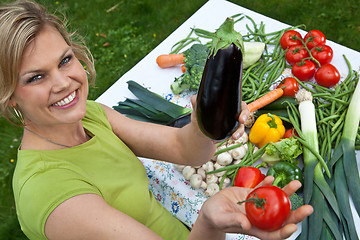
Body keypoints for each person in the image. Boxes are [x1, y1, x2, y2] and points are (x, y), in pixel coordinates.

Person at [0, 0, 313, 240]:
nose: (63, 83)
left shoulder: (92, 116)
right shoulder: (50, 193)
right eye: (36, 77)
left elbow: (185, 149)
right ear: (9, 95)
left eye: (65, 60)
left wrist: (206, 120)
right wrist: (208, 219)